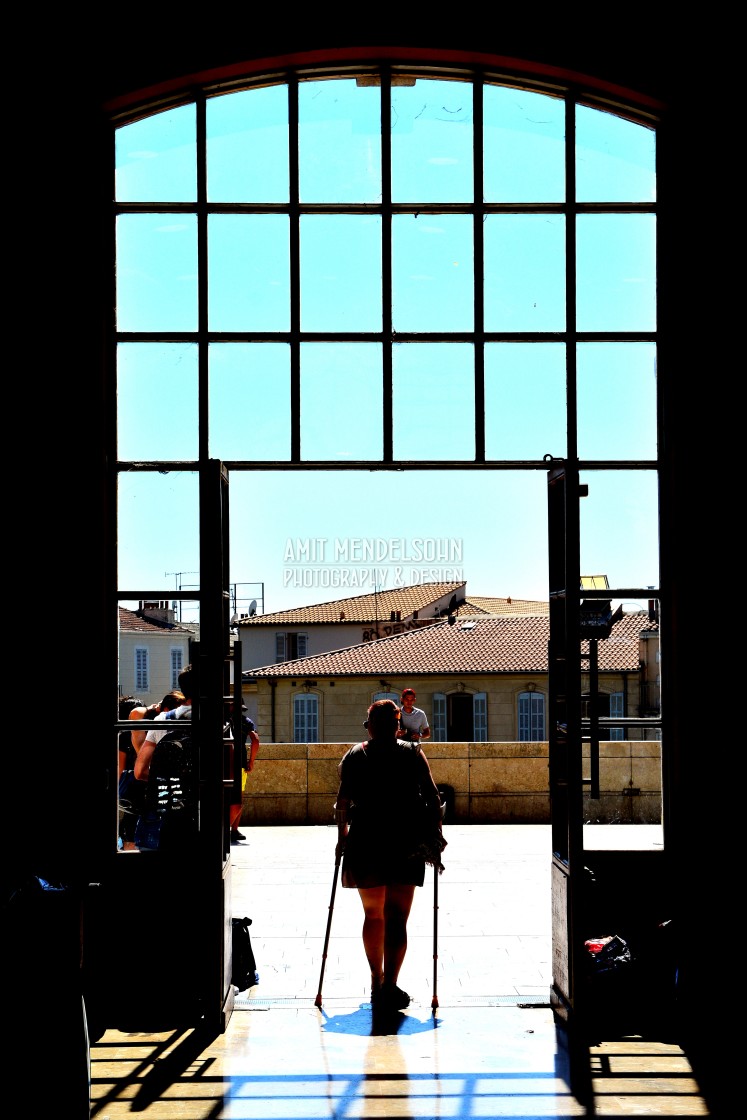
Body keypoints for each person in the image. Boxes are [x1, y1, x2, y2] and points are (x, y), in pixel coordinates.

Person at [334, 699, 446, 1013]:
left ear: (370, 725)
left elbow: (342, 802)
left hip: (366, 840)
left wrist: (340, 839)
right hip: (405, 840)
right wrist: (436, 835)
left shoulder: (356, 754)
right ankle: (391, 983)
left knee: (373, 915)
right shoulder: (412, 753)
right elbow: (433, 795)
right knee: (397, 916)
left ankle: (376, 977)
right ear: (397, 725)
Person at [227, 701, 260, 844]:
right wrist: (251, 761)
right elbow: (255, 740)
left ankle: (226, 829)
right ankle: (233, 830)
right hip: (240, 763)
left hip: (224, 763)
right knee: (238, 798)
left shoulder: (224, 721)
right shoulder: (246, 722)